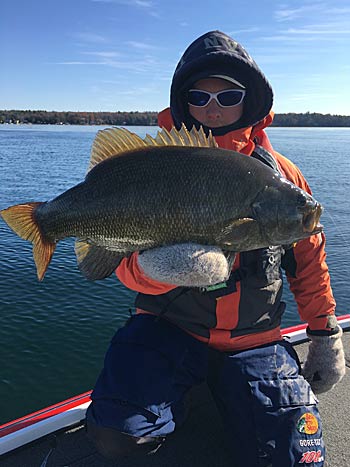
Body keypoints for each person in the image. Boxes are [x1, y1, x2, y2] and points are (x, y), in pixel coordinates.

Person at [86, 30, 345, 466]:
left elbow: (309, 263)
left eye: (229, 95)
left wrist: (323, 332)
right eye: (199, 96)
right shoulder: (157, 165)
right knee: (117, 434)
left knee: (298, 457)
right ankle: (179, 399)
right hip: (166, 328)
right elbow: (121, 265)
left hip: (255, 339)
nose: (212, 107)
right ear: (182, 100)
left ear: (252, 99)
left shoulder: (283, 176)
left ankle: (222, 388)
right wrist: (157, 269)